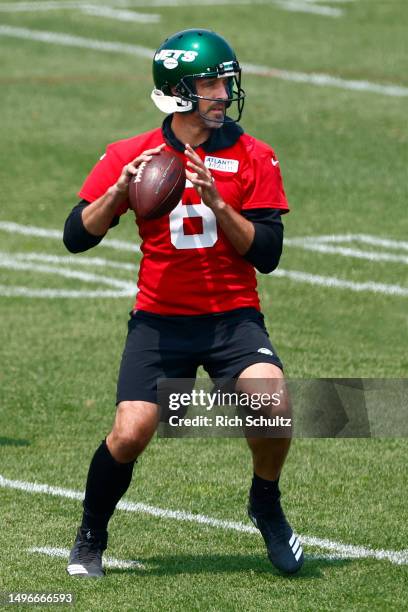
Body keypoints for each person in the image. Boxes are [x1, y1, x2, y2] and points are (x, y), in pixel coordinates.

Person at [63, 28, 304, 577]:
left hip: (233, 318)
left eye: (225, 81)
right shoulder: (132, 155)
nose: (222, 93)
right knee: (130, 433)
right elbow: (76, 235)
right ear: (177, 91)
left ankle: (265, 503)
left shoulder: (255, 156)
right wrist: (117, 194)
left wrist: (220, 204)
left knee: (275, 405)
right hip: (159, 321)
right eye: (210, 83)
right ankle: (90, 535)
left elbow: (267, 253)